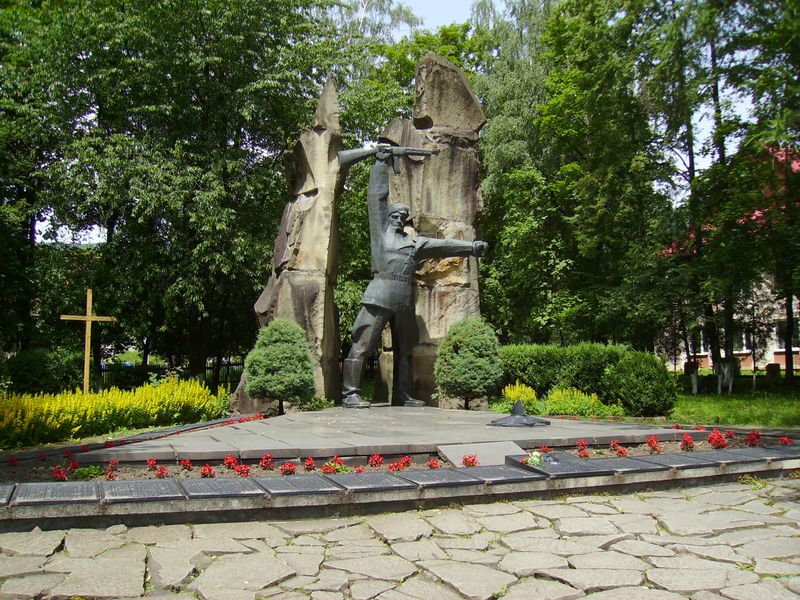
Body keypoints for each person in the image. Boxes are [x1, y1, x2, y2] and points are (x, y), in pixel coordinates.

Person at [341, 145, 488, 408]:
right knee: (362, 344)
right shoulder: (381, 234)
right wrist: (380, 165)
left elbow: (442, 246)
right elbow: (376, 198)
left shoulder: (414, 244)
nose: (398, 219)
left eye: (402, 217)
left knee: (405, 351)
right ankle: (350, 393)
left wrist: (472, 247)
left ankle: (401, 393)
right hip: (379, 295)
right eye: (395, 215)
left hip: (405, 301)